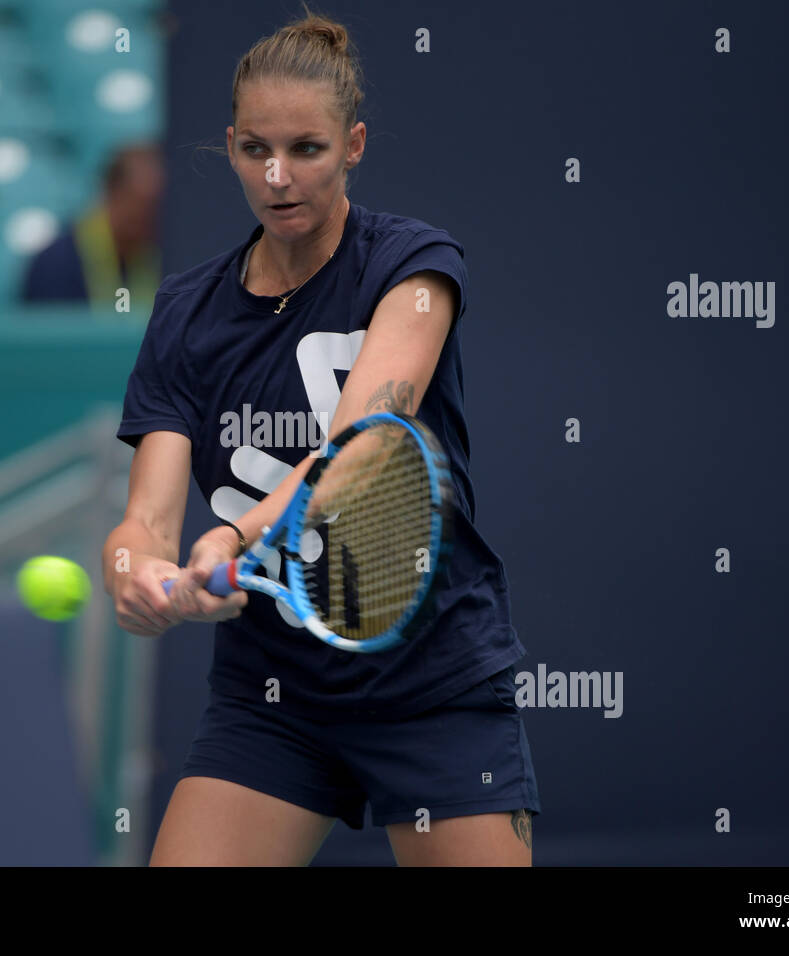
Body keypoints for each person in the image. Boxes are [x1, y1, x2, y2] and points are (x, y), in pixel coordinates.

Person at [102, 9, 540, 866]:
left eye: (307, 148)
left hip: (432, 684)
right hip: (273, 698)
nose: (278, 176)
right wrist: (138, 578)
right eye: (255, 148)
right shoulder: (185, 314)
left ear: (354, 145)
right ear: (228, 146)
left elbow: (365, 451)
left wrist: (233, 535)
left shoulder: (414, 267)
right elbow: (144, 522)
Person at [21, 142, 163, 309]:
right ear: (110, 192)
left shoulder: (162, 258)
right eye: (141, 203)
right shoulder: (54, 265)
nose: (149, 214)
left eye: (157, 205)